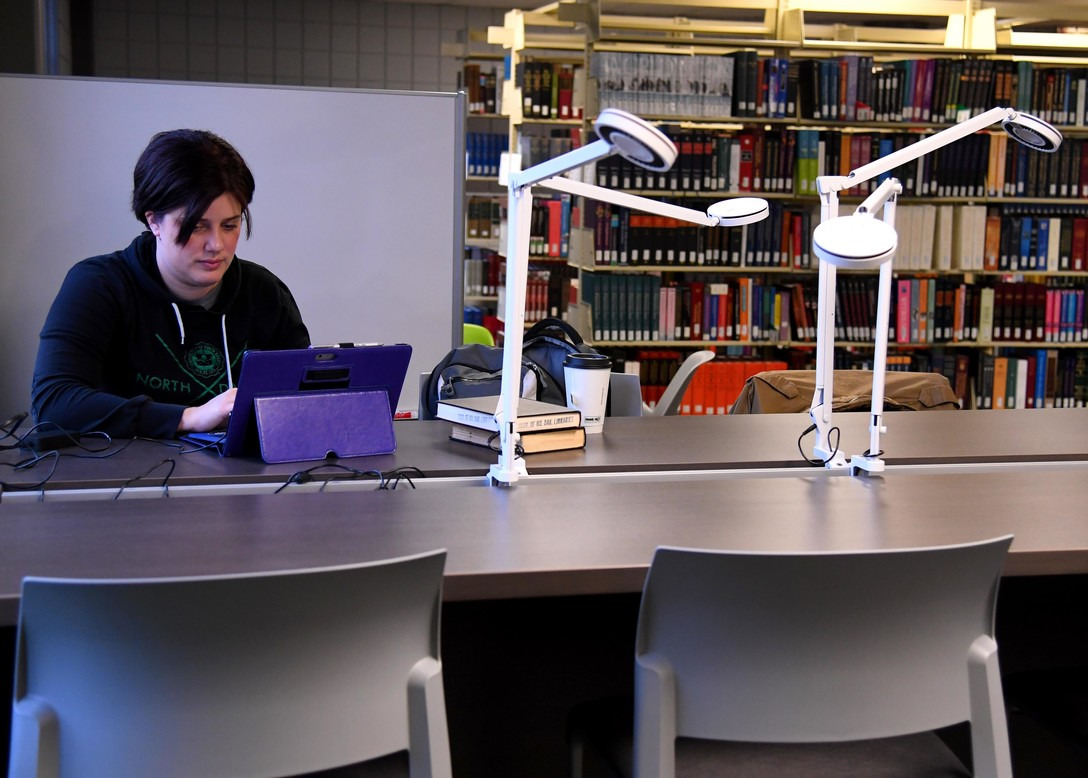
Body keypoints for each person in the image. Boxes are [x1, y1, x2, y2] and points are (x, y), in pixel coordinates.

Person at [31, 129, 310, 439]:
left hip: (241, 478)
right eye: (196, 226)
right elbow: (54, 401)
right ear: (154, 221)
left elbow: (305, 397)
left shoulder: (265, 294)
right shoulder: (99, 286)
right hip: (125, 479)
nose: (216, 244)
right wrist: (187, 418)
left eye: (230, 225)